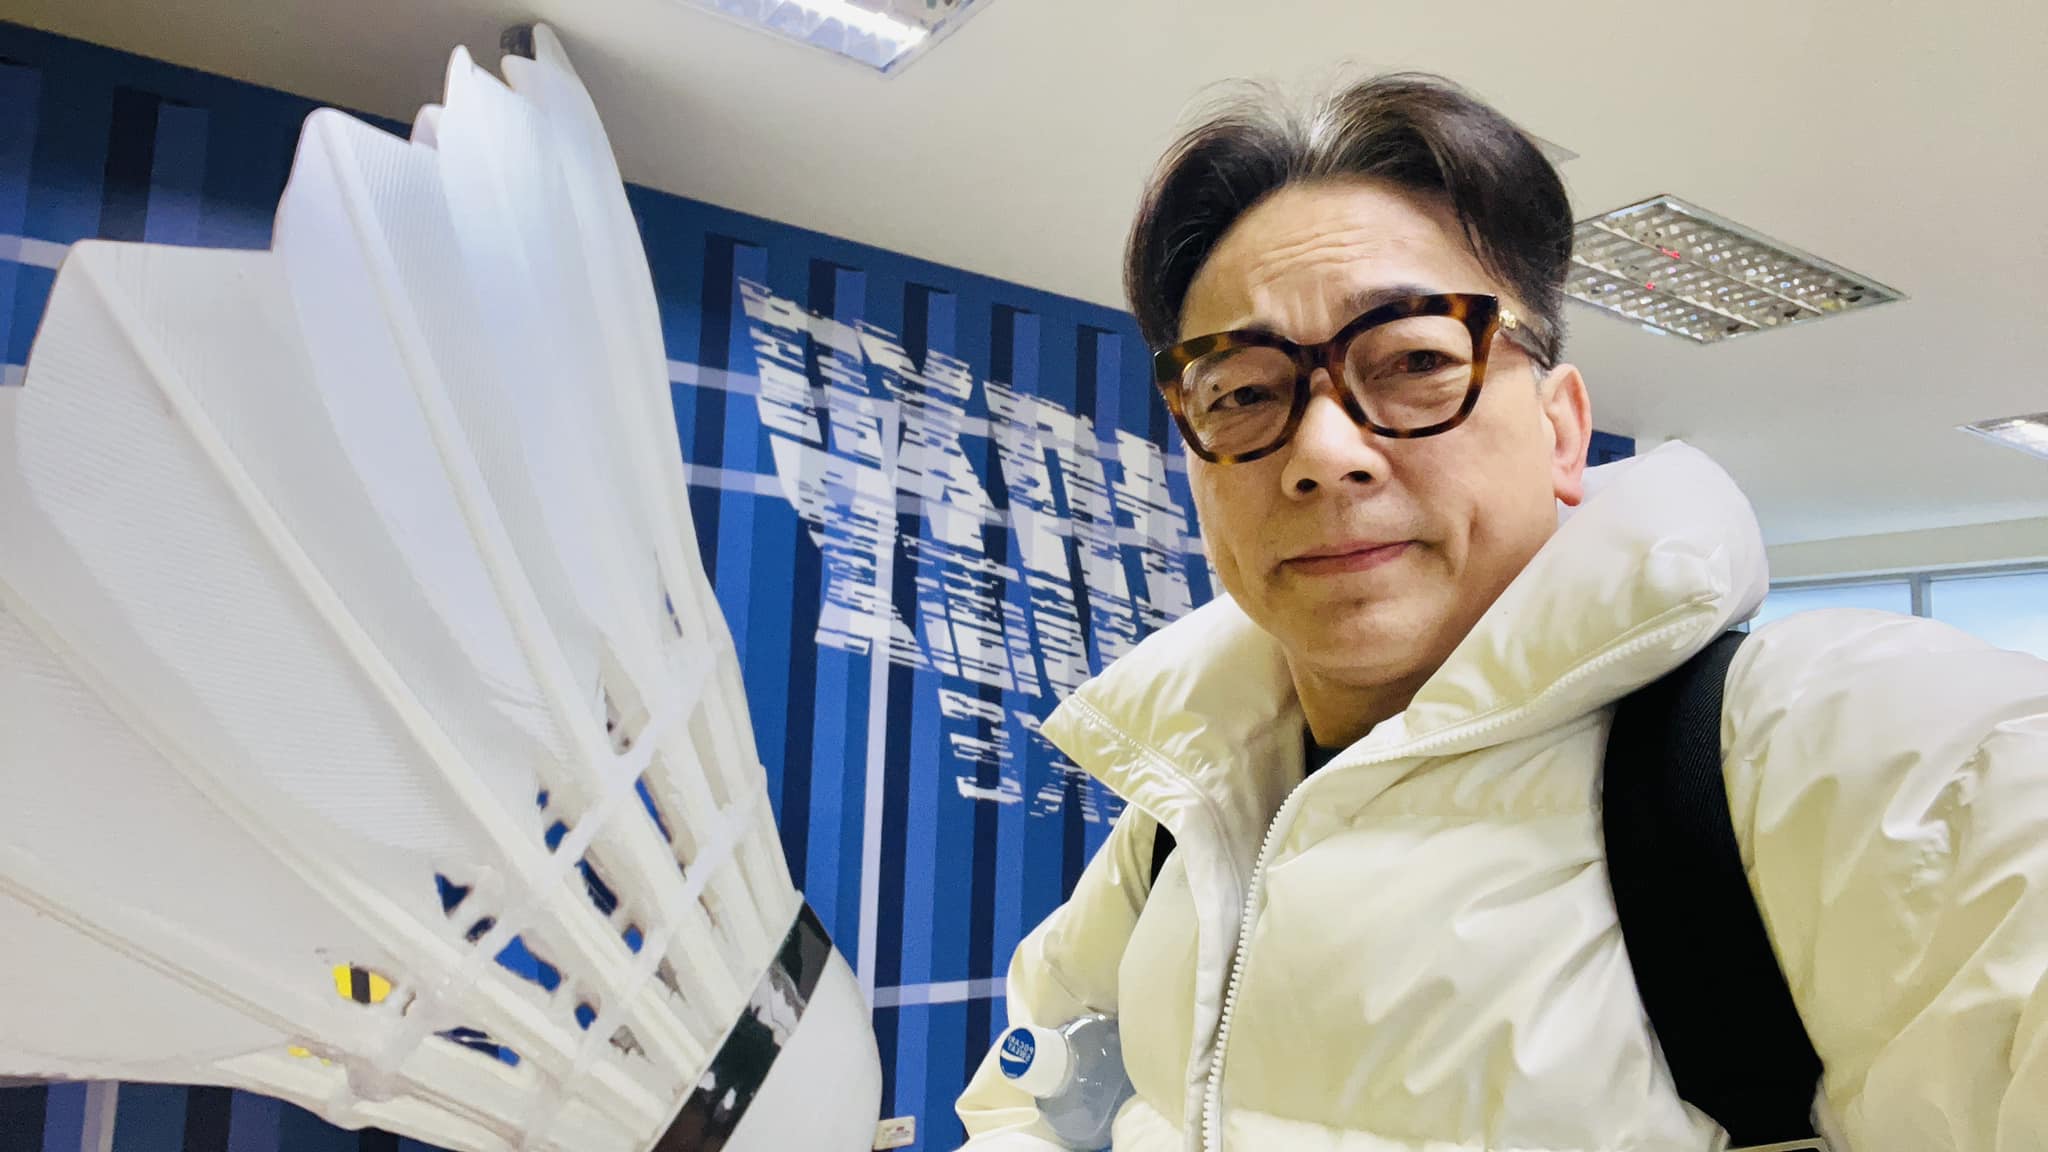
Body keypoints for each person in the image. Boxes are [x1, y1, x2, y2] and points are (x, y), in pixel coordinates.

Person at [954, 74, 2048, 1151]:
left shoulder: (1820, 757)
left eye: (1415, 361)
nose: (1322, 454)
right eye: (1241, 392)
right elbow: (1030, 1108)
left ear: (1561, 431)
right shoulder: (1184, 810)